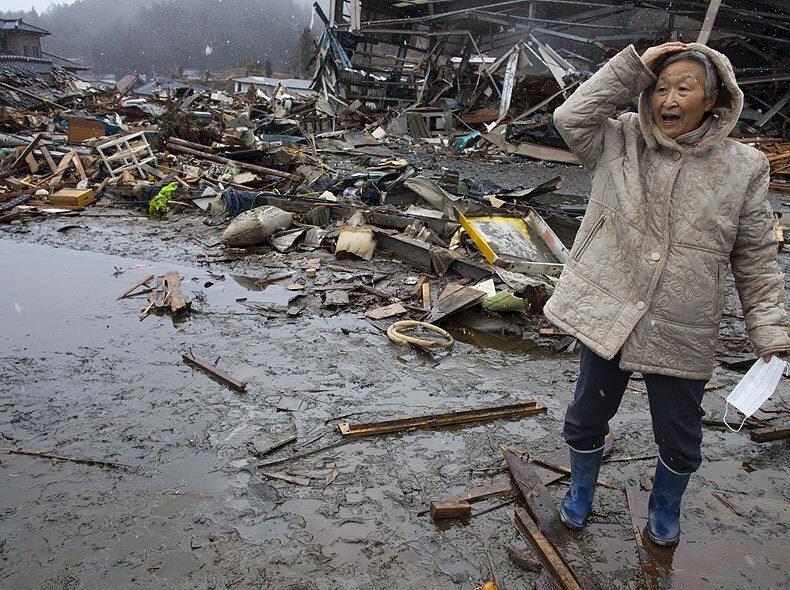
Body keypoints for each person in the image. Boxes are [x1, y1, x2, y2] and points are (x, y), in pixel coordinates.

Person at [543, 42, 789, 546]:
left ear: (714, 98)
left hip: (684, 318)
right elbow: (570, 116)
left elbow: (756, 256)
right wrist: (636, 63)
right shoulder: (620, 141)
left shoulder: (744, 167)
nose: (668, 98)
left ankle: (665, 502)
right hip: (610, 308)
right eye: (659, 87)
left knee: (681, 434)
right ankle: (582, 488)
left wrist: (769, 329)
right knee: (586, 414)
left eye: (684, 87)